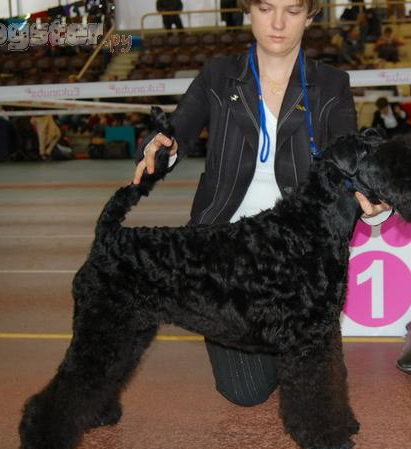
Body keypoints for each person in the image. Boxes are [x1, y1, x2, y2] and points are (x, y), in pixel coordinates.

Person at [133, 0, 393, 406]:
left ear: (310, 16)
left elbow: (350, 163)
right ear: (248, 10)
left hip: (299, 253)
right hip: (223, 252)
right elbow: (176, 131)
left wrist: (376, 206)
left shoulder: (332, 83)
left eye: (293, 11)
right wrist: (160, 148)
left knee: (309, 361)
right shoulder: (218, 74)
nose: (277, 23)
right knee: (246, 392)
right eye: (266, 7)